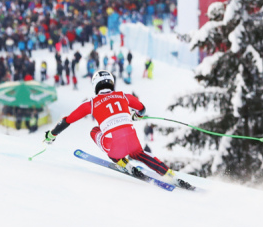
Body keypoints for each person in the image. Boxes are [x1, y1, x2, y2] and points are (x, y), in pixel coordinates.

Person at [43, 71, 194, 190]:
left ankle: (122, 163)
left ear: (95, 85)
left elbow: (67, 120)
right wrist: (137, 115)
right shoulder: (124, 96)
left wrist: (51, 135)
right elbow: (142, 108)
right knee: (140, 153)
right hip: (132, 139)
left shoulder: (90, 103)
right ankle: (168, 174)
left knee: (94, 131)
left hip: (113, 145)